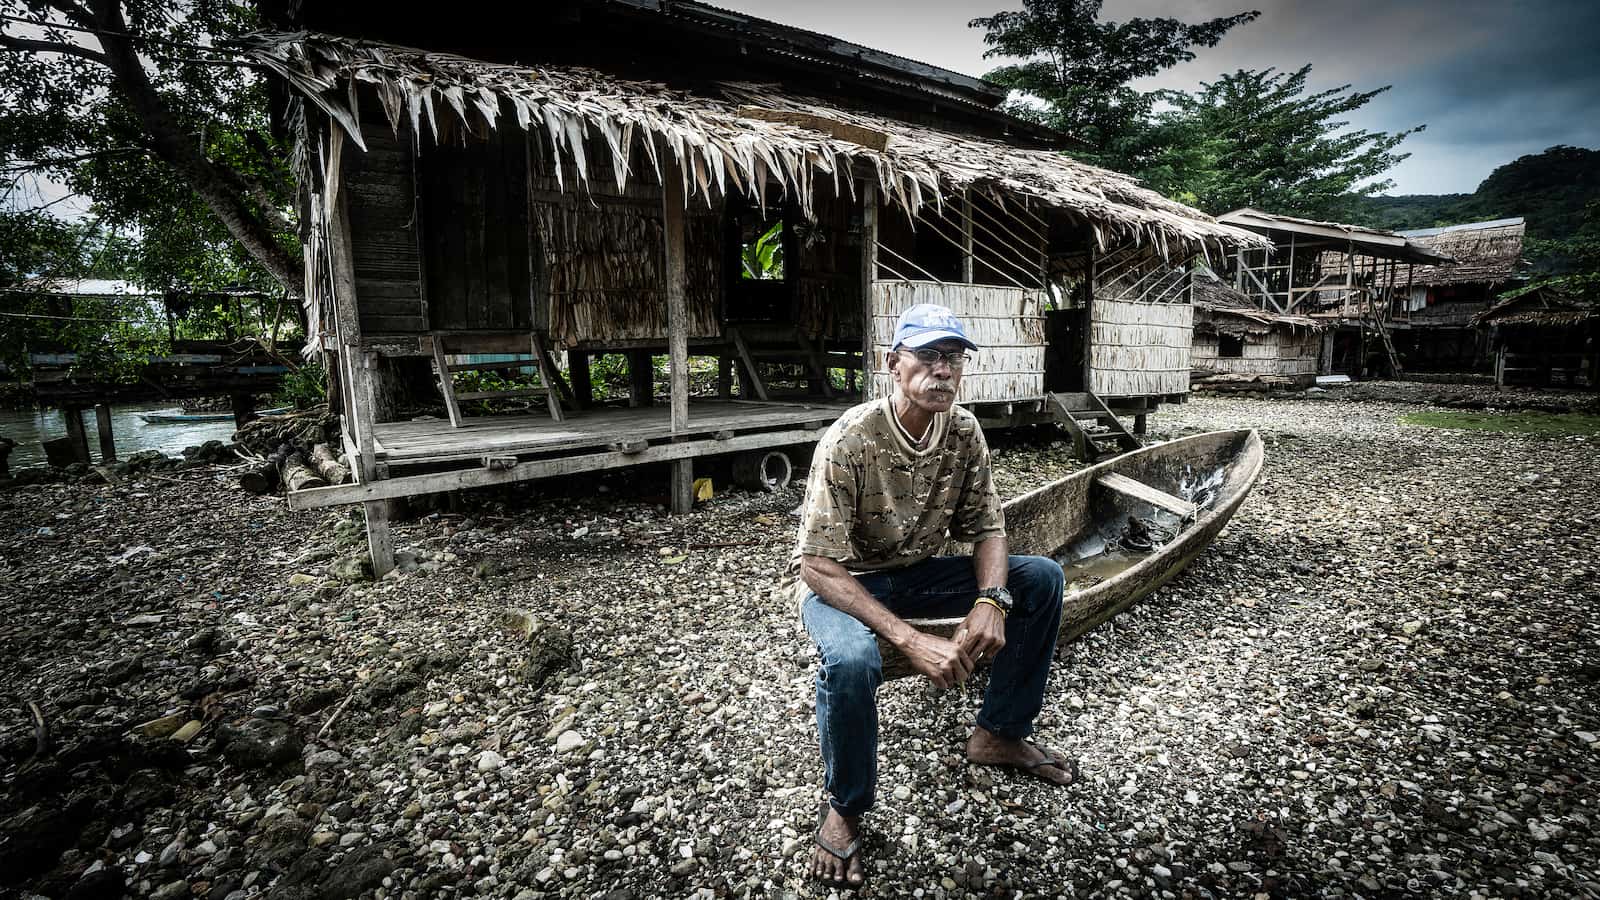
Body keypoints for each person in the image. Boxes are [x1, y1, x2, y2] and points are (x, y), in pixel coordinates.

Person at [792, 302, 1074, 888]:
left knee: (1040, 577)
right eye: (928, 356)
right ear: (891, 364)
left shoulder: (964, 431)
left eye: (954, 358)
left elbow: (989, 527)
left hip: (917, 571)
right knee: (852, 659)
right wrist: (910, 639)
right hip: (845, 582)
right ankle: (845, 805)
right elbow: (815, 566)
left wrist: (991, 598)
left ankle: (998, 732)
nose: (943, 370)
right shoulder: (850, 439)